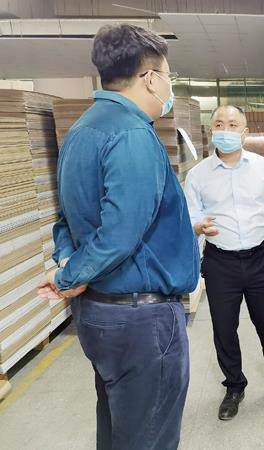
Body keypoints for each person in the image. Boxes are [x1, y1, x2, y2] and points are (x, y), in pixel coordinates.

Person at [37, 24, 200, 450]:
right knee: (149, 436)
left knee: (119, 430)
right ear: (151, 78)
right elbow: (120, 234)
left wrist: (68, 263)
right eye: (168, 76)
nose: (169, 86)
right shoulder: (132, 134)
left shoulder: (82, 130)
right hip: (140, 320)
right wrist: (70, 276)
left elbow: (65, 219)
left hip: (101, 314)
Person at [184, 105, 264, 421]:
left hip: (259, 260)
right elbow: (191, 215)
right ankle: (234, 386)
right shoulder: (198, 175)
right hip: (219, 263)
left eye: (233, 124)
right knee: (224, 330)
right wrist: (198, 226)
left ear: (245, 132)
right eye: (219, 124)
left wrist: (261, 231)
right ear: (211, 130)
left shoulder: (263, 168)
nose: (225, 130)